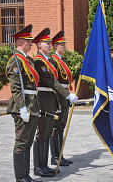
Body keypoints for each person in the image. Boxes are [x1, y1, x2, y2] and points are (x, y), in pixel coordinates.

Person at [33, 28, 78, 177]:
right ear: (39, 44)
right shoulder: (39, 62)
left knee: (46, 133)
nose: (49, 45)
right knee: (42, 134)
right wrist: (66, 95)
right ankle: (39, 166)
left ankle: (44, 165)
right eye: (46, 42)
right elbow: (51, 81)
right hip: (45, 100)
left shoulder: (48, 60)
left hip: (52, 99)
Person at [6, 24, 41, 182]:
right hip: (23, 106)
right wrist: (22, 108)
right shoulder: (16, 61)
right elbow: (16, 88)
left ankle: (26, 175)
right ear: (19, 42)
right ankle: (20, 177)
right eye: (28, 41)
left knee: (28, 142)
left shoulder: (28, 59)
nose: (31, 43)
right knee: (21, 142)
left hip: (32, 105)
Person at [50, 30, 73, 167]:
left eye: (64, 44)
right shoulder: (53, 60)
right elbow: (55, 82)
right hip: (59, 96)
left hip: (64, 94)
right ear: (55, 46)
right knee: (56, 127)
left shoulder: (61, 60)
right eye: (62, 45)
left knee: (61, 126)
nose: (64, 47)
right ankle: (55, 156)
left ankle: (60, 155)